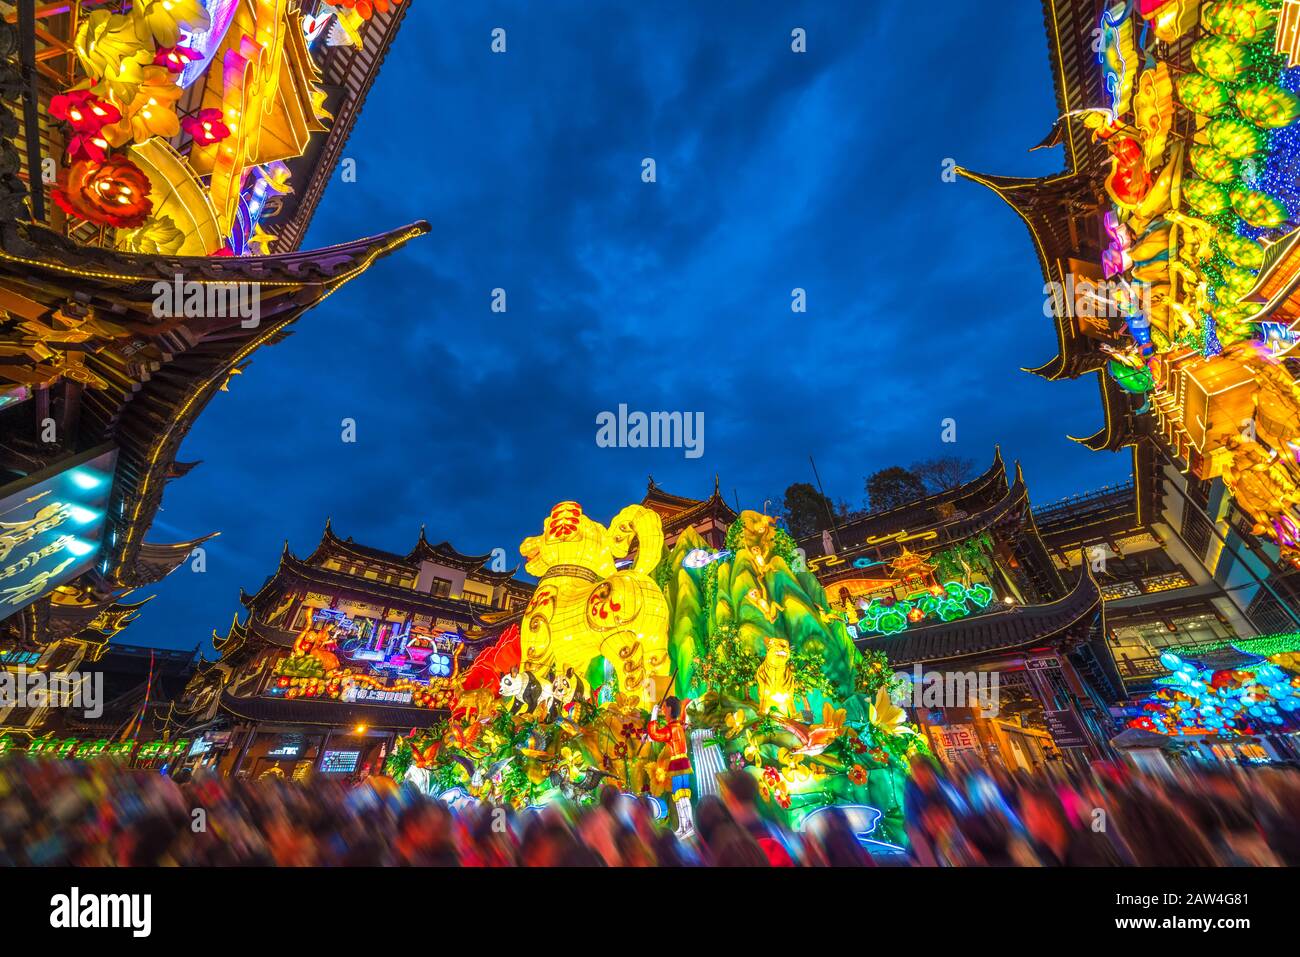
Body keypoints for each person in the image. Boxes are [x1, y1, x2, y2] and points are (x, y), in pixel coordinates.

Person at [646, 696, 695, 839]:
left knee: (682, 796)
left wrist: (654, 716)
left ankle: (689, 825)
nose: (663, 710)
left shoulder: (672, 728)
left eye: (664, 708)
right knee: (679, 796)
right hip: (679, 763)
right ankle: (683, 826)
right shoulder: (678, 725)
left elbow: (655, 734)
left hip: (679, 763)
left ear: (670, 709)